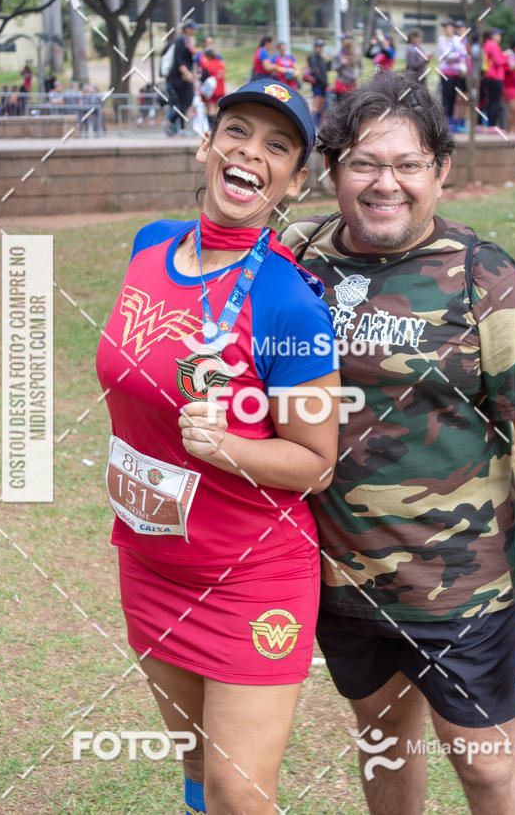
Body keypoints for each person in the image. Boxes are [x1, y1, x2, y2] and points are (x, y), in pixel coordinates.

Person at [281, 70, 515, 815]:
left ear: (440, 171)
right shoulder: (298, 258)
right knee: (385, 744)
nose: (387, 184)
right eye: (365, 164)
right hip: (340, 585)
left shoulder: (492, 282)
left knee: (486, 766)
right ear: (333, 170)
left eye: (408, 164)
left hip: (461, 592)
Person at [96, 78, 340, 815]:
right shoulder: (151, 245)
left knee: (240, 793)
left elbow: (317, 464)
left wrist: (229, 448)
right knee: (200, 767)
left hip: (250, 576)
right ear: (207, 145)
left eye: (277, 146)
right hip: (149, 557)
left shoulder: (288, 302)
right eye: (236, 131)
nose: (250, 154)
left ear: (295, 181)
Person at [165, 19, 198, 137]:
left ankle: (180, 127)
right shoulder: (180, 41)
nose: (194, 30)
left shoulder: (187, 41)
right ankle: (170, 122)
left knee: (187, 100)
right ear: (187, 29)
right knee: (183, 102)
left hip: (185, 77)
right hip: (178, 78)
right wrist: (188, 74)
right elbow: (178, 60)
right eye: (192, 28)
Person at [436, 20, 466, 131]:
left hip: (457, 73)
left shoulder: (457, 39)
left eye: (449, 27)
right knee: (446, 98)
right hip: (446, 73)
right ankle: (445, 122)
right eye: (445, 27)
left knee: (455, 98)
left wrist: (455, 55)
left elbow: (464, 53)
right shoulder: (441, 40)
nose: (447, 29)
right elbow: (446, 56)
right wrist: (457, 55)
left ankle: (454, 123)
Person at [481, 27, 507, 128]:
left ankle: (490, 124)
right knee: (495, 102)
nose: (500, 37)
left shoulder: (486, 45)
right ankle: (492, 125)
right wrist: (506, 57)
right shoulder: (493, 45)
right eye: (498, 35)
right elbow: (499, 61)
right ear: (493, 35)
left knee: (490, 101)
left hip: (487, 76)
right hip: (495, 77)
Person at [198, 46, 225, 130]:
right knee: (217, 109)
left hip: (210, 91)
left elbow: (203, 78)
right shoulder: (221, 64)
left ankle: (212, 128)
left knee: (210, 109)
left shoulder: (207, 64)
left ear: (208, 56)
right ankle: (218, 126)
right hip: (220, 89)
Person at [306, 38, 331, 129]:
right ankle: (313, 126)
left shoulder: (321, 57)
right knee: (316, 106)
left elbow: (328, 68)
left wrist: (327, 60)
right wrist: (323, 81)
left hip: (322, 85)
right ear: (315, 47)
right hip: (318, 84)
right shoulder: (313, 57)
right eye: (319, 47)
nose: (321, 48)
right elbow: (314, 72)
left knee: (321, 107)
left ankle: (317, 126)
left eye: (321, 46)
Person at [333, 34, 361, 101]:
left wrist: (358, 74)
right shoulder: (338, 54)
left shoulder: (356, 54)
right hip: (341, 83)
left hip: (352, 84)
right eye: (341, 41)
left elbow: (361, 67)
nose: (342, 43)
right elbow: (335, 68)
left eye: (343, 41)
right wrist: (341, 64)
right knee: (341, 105)